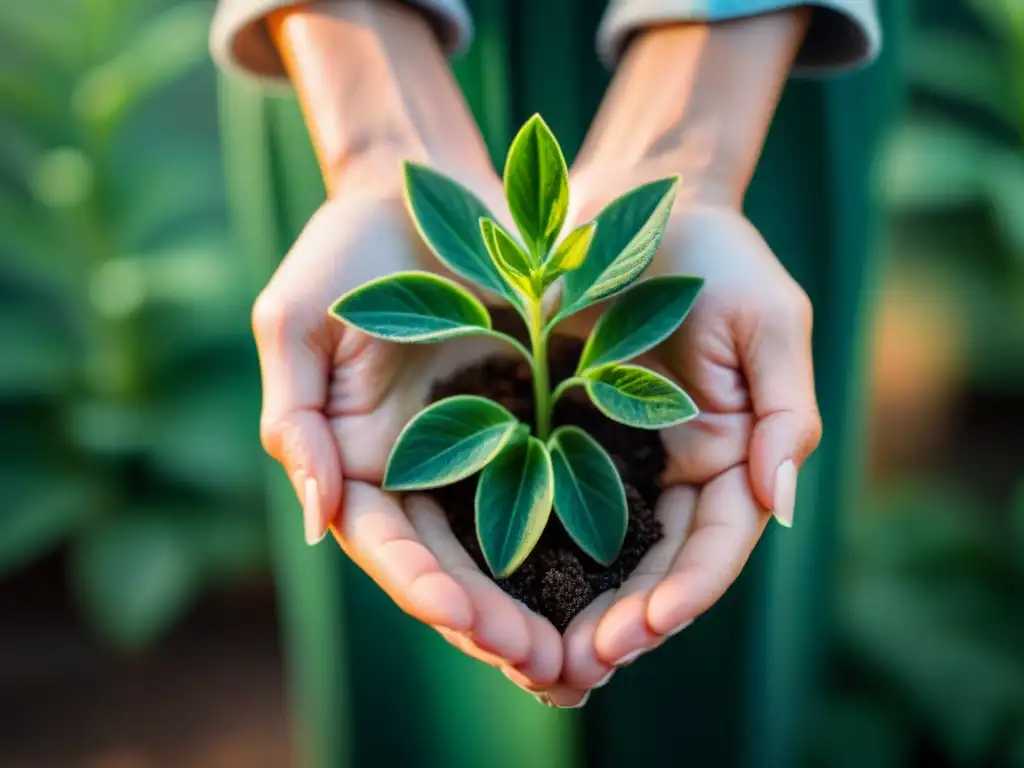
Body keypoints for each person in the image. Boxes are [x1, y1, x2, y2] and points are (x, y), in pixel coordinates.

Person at [211, 1, 889, 766]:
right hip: (340, 54)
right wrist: (374, 129)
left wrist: (695, 139)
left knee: (709, 695)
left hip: (758, 62)